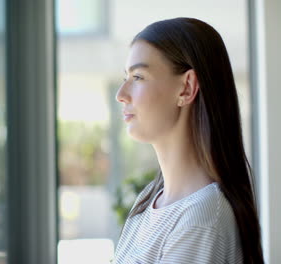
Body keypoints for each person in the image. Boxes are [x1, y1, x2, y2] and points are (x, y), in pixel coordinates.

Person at [113, 17, 264, 264]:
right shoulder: (149, 200)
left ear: (186, 88)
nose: (121, 95)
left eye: (138, 77)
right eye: (125, 78)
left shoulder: (201, 219)